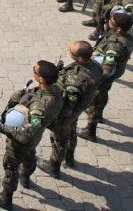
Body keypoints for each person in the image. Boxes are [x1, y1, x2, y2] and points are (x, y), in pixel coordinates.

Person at [0, 61, 63, 210]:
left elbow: (25, 135)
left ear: (41, 79)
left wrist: (2, 127)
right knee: (29, 156)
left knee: (10, 167)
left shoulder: (40, 106)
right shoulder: (55, 90)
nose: (33, 71)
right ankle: (25, 177)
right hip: (35, 137)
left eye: (35, 71)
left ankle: (5, 198)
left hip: (21, 142)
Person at [37, 41, 102, 178]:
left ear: (79, 58)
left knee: (60, 138)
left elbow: (69, 102)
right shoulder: (95, 66)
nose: (69, 52)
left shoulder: (75, 79)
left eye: (71, 52)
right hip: (79, 108)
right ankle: (70, 157)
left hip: (67, 113)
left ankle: (53, 166)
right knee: (71, 132)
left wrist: (60, 120)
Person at [78, 11, 133, 141]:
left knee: (97, 98)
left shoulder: (114, 47)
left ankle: (90, 129)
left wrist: (94, 80)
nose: (109, 22)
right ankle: (98, 115)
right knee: (101, 95)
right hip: (116, 71)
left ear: (119, 28)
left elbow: (107, 70)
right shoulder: (127, 37)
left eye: (111, 22)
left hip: (103, 77)